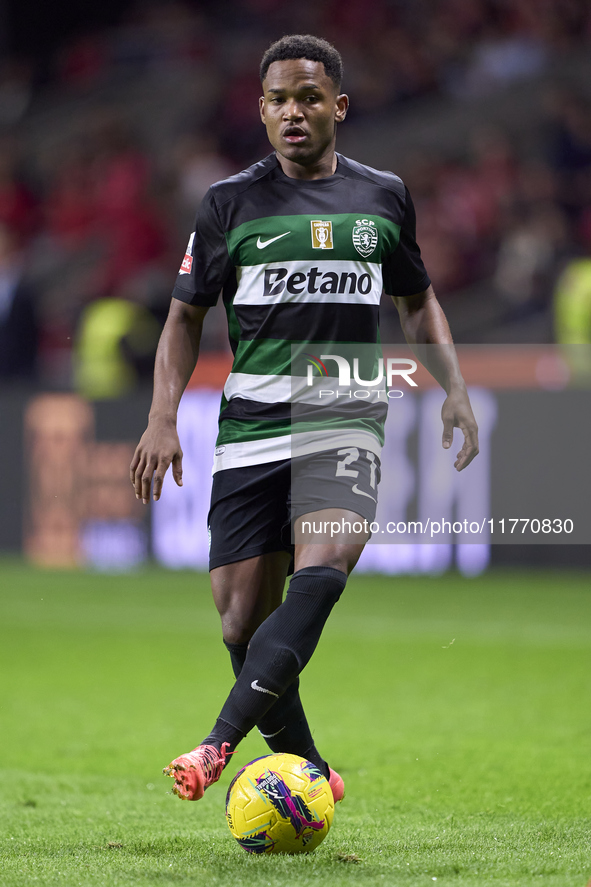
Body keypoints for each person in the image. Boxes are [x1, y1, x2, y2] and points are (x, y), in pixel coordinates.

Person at [130, 34, 479, 804]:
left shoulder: (381, 195)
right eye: (280, 100)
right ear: (261, 111)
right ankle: (311, 772)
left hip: (345, 409)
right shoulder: (228, 203)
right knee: (237, 625)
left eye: (309, 98)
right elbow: (183, 318)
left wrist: (451, 384)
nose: (294, 111)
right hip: (251, 422)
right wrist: (162, 417)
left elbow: (415, 298)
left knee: (322, 570)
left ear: (338, 107)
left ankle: (217, 743)